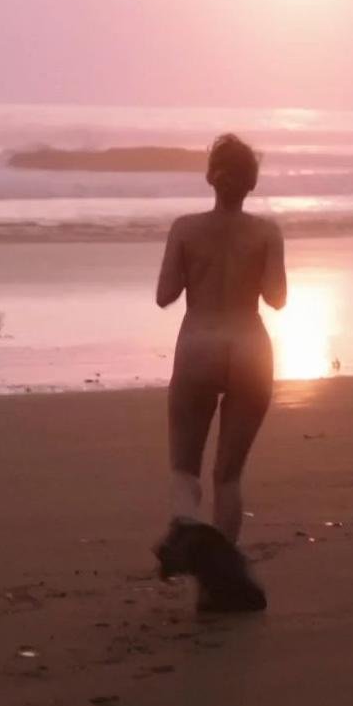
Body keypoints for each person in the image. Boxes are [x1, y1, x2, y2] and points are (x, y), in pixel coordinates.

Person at [152, 134, 286, 595]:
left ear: (211, 177)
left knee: (185, 466)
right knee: (228, 475)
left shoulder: (185, 228)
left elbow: (164, 295)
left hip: (200, 345)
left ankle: (184, 531)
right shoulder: (266, 231)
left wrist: (199, 268)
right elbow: (277, 298)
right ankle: (220, 580)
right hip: (250, 347)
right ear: (252, 183)